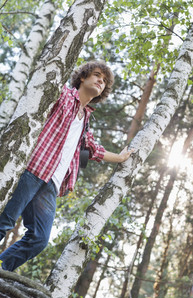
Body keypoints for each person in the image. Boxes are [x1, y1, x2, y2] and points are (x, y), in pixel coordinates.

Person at [0, 60, 134, 272]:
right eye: (97, 75)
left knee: (39, 239)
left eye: (105, 81)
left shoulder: (85, 120)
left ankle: (2, 267)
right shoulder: (63, 95)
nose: (101, 80)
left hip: (51, 184)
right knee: (5, 221)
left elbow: (93, 149)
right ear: (82, 77)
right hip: (33, 170)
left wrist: (120, 158)